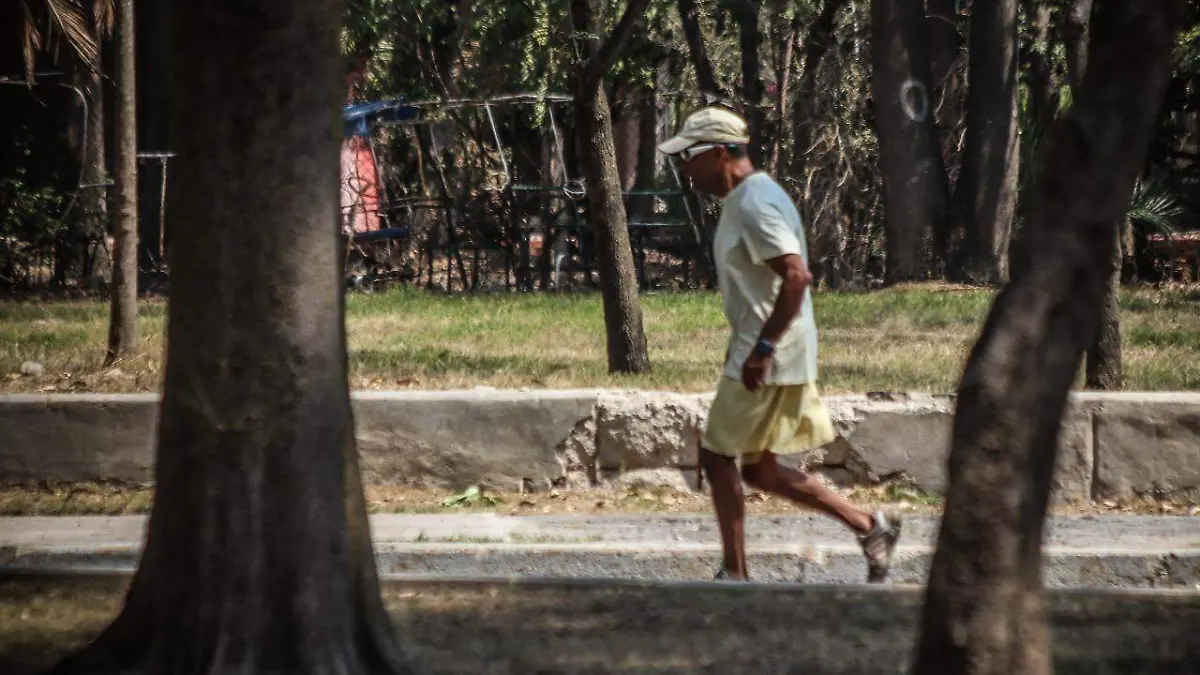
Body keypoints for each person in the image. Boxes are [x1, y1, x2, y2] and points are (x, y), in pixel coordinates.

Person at [658, 107, 902, 582]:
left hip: (767, 351)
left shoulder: (754, 202)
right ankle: (870, 527)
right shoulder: (751, 196)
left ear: (719, 151)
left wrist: (763, 348)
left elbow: (796, 276)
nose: (684, 167)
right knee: (759, 469)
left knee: (715, 454)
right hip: (771, 346)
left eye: (689, 155)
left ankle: (735, 573)